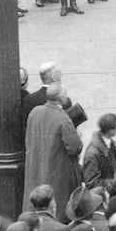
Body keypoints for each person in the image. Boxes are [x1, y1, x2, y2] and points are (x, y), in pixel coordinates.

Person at [23, 84, 82, 220]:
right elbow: (75, 147)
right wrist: (78, 136)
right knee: (58, 208)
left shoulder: (35, 111)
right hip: (58, 171)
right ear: (62, 97)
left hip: (37, 167)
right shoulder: (63, 117)